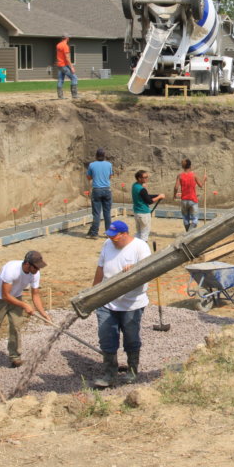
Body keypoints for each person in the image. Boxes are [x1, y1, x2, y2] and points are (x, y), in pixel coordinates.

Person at [91, 221, 151, 387]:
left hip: (131, 303)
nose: (112, 240)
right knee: (106, 336)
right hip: (107, 301)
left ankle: (132, 370)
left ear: (125, 234)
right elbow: (100, 268)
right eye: (109, 237)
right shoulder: (107, 244)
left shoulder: (140, 247)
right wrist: (93, 293)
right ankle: (109, 373)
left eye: (115, 237)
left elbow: (147, 272)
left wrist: (135, 269)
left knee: (131, 337)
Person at [0, 251, 49, 369]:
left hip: (16, 296)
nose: (38, 270)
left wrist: (43, 313)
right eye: (36, 267)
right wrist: (25, 305)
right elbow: (5, 295)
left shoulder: (35, 274)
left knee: (16, 326)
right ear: (27, 264)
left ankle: (15, 357)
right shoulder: (11, 269)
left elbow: (35, 295)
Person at [86, 148, 113, 238]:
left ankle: (94, 233)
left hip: (97, 189)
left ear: (96, 156)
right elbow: (110, 176)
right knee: (107, 213)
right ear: (104, 156)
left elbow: (89, 177)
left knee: (97, 213)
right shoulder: (109, 164)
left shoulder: (92, 165)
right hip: (107, 189)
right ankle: (109, 233)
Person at [131, 170, 165, 242]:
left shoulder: (135, 186)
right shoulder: (142, 189)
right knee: (144, 234)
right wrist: (159, 197)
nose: (147, 179)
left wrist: (157, 195)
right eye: (145, 177)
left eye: (147, 177)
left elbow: (146, 196)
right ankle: (143, 251)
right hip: (144, 213)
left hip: (137, 212)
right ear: (139, 178)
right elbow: (149, 201)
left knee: (139, 233)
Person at [173, 158, 206, 231]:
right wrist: (204, 179)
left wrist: (174, 195)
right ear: (190, 166)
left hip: (184, 200)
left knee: (185, 218)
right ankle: (189, 233)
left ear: (183, 166)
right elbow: (200, 185)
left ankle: (187, 233)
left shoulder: (180, 175)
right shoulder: (194, 175)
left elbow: (176, 187)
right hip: (193, 200)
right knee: (194, 219)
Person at [56, 33, 78, 99]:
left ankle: (60, 96)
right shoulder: (65, 46)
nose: (69, 39)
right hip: (64, 65)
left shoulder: (58, 45)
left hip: (59, 65)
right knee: (74, 78)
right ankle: (74, 95)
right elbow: (67, 58)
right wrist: (72, 67)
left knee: (60, 80)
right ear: (67, 38)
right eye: (69, 37)